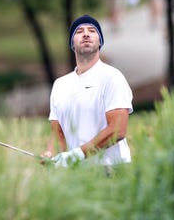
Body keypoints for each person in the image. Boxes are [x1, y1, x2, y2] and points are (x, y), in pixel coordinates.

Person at [41, 14, 133, 168]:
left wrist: (76, 155)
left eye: (92, 31)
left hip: (112, 171)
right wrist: (51, 154)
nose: (85, 34)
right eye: (79, 31)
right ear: (72, 44)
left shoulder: (112, 77)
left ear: (100, 41)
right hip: (78, 175)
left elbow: (117, 130)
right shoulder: (60, 84)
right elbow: (58, 134)